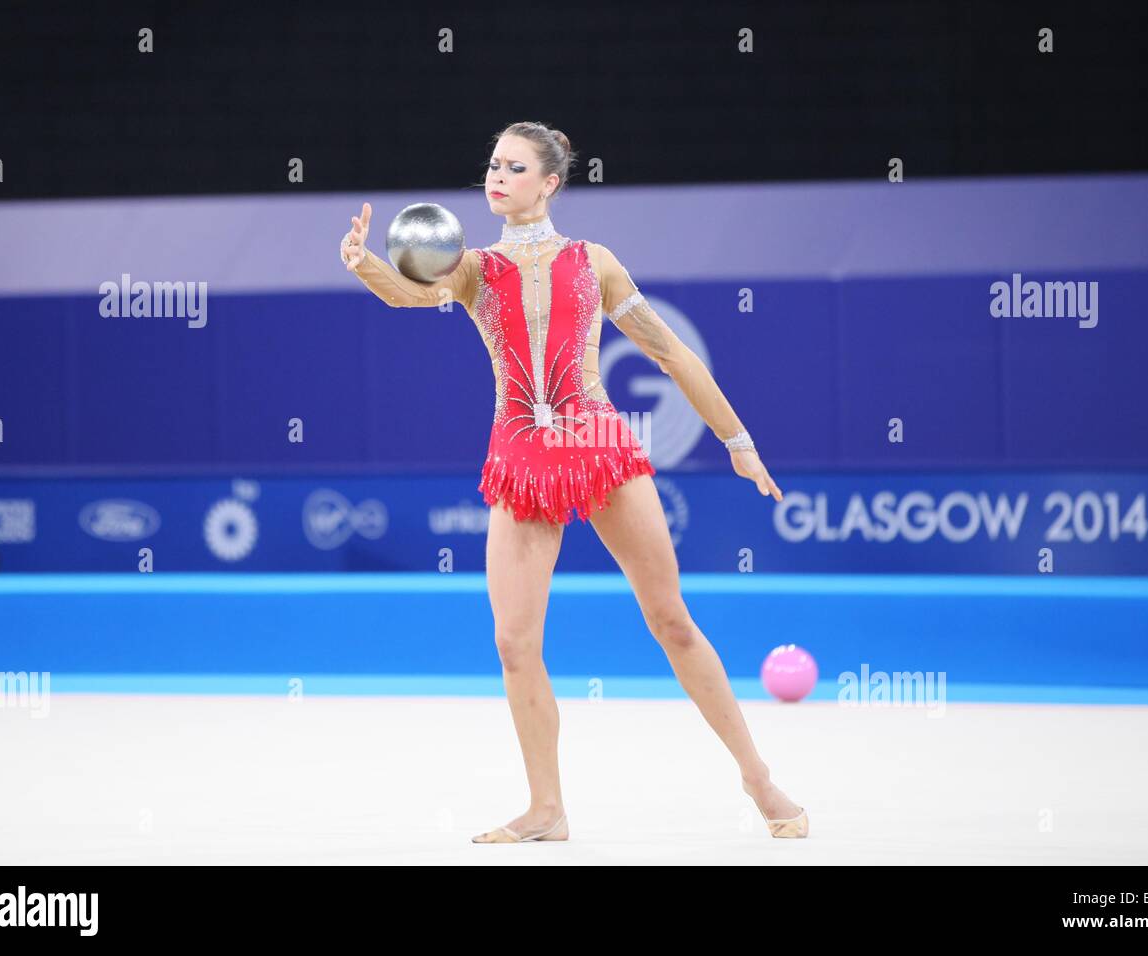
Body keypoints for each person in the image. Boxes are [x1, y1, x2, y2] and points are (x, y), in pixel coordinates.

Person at [340, 121, 807, 841]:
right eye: (492, 164)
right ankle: (547, 808)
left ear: (550, 182)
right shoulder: (473, 268)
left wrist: (737, 441)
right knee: (514, 644)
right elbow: (406, 295)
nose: (495, 176)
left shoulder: (595, 262)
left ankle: (758, 778)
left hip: (596, 443)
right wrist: (362, 261)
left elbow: (672, 354)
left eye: (514, 167)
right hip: (522, 454)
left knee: (672, 621)